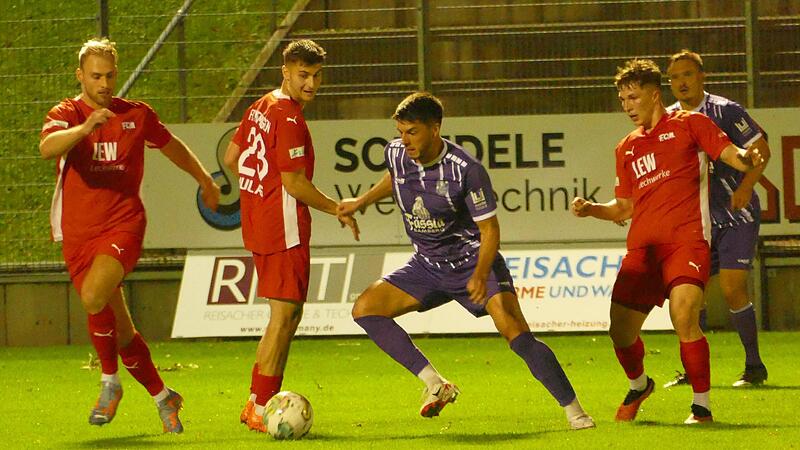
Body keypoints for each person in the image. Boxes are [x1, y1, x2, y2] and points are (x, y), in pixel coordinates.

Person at [337, 92, 595, 431]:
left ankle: (575, 412)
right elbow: (395, 177)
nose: (405, 140)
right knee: (366, 309)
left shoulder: (466, 171)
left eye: (412, 131)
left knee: (516, 333)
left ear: (435, 128)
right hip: (427, 266)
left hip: (472, 261)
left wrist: (480, 273)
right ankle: (435, 383)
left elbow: (490, 229)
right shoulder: (395, 153)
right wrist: (362, 201)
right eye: (400, 131)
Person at [39, 38, 221, 433]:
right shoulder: (67, 112)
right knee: (119, 328)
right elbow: (46, 147)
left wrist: (204, 178)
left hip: (123, 224)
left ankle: (109, 382)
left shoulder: (135, 115)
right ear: (80, 76)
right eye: (95, 76)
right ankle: (163, 396)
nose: (104, 83)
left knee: (92, 297)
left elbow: (171, 146)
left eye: (109, 76)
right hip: (78, 233)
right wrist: (86, 127)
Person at [570, 59, 763, 424]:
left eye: (632, 96)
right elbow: (624, 207)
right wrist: (592, 209)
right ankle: (640, 384)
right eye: (622, 98)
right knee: (620, 331)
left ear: (654, 94)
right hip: (643, 250)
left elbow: (729, 153)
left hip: (686, 242)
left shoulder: (691, 124)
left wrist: (745, 159)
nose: (626, 105)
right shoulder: (626, 147)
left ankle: (701, 407)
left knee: (685, 315)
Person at [222, 39, 359, 433]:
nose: (312, 84)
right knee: (284, 318)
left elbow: (232, 159)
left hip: (259, 223)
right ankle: (260, 403)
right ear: (286, 71)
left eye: (317, 76)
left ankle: (255, 400)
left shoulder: (260, 106)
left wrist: (257, 193)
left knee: (285, 316)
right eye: (304, 75)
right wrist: (337, 207)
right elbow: (295, 184)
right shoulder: (290, 118)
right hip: (283, 228)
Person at [663, 49, 770, 388]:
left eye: (687, 74)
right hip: (695, 220)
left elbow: (761, 148)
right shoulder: (667, 119)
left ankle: (754, 366)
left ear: (701, 77)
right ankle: (692, 372)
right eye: (675, 77)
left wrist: (746, 186)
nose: (682, 81)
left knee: (732, 287)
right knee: (690, 295)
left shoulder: (725, 111)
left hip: (736, 214)